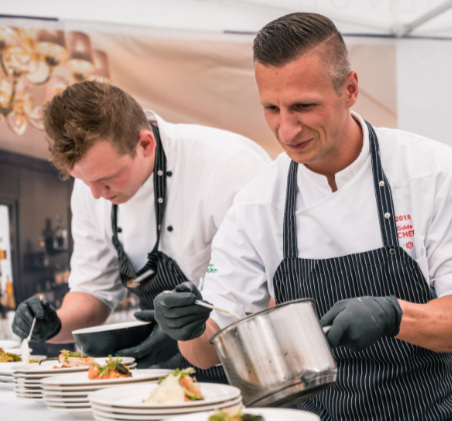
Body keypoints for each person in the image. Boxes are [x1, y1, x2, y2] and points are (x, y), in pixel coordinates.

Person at [152, 13, 452, 421]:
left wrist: (395, 314)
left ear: (350, 89)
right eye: (271, 109)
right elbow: (210, 351)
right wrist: (187, 327)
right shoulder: (258, 203)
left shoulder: (433, 172)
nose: (287, 130)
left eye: (304, 106)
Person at [11, 81, 271, 380]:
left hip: (245, 364)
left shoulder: (227, 165)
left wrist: (186, 333)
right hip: (162, 373)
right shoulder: (92, 188)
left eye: (109, 177)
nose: (96, 194)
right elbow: (93, 293)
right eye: (83, 181)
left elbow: (275, 290)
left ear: (146, 144)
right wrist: (55, 324)